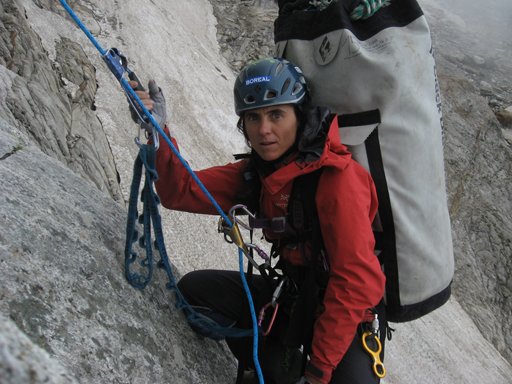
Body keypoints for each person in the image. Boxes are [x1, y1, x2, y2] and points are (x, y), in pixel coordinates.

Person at [129, 57, 386, 384]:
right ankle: (270, 368)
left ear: (300, 115)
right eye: (253, 118)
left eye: (276, 114)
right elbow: (180, 191)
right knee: (195, 292)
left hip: (346, 313)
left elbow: (354, 282)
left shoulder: (338, 180)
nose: (264, 130)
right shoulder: (255, 175)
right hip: (292, 298)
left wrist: (318, 372)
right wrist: (158, 131)